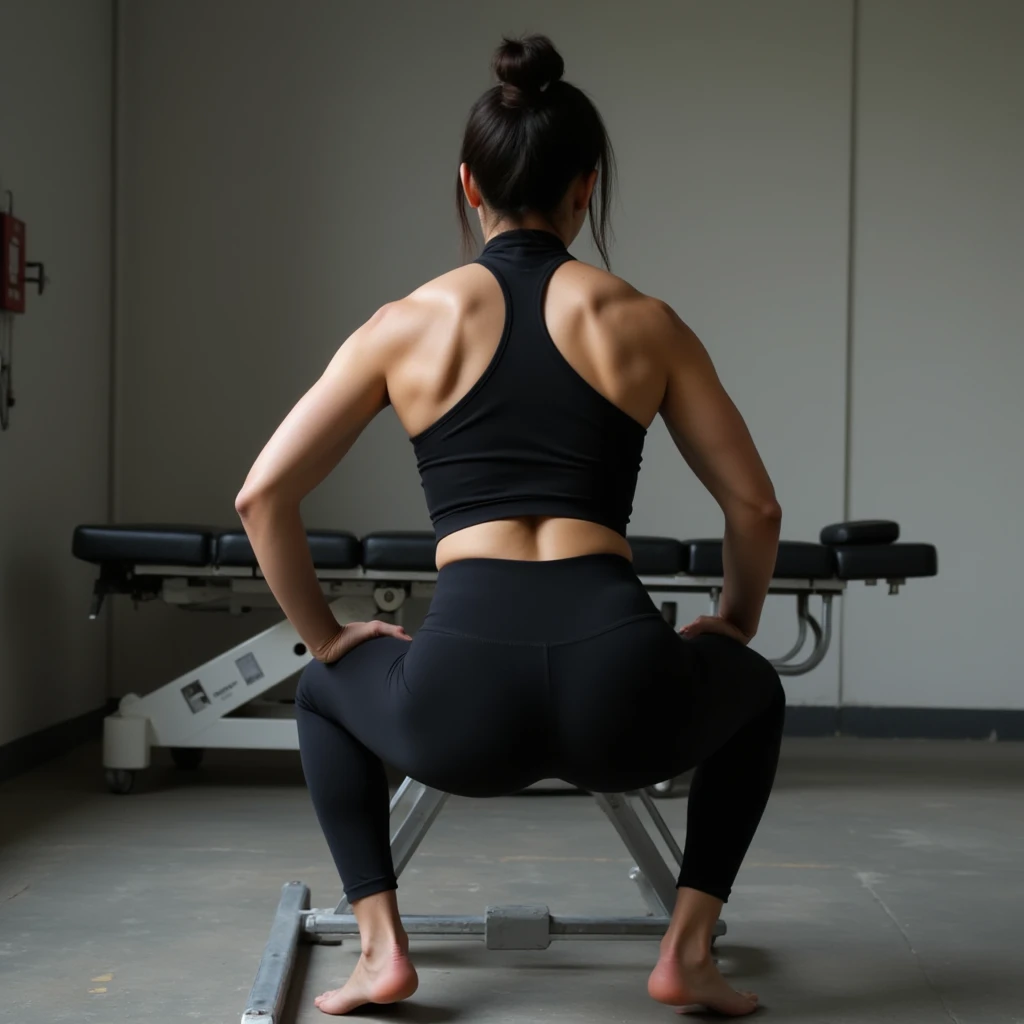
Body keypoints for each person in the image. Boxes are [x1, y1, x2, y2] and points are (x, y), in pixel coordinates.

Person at [236, 34, 784, 1018]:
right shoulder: (643, 320)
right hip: (624, 692)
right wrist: (733, 624)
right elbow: (755, 505)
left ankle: (380, 951)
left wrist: (327, 637)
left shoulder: (405, 323)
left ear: (467, 186)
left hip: (458, 706)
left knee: (324, 692)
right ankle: (687, 953)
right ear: (586, 188)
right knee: (752, 692)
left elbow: (260, 496)